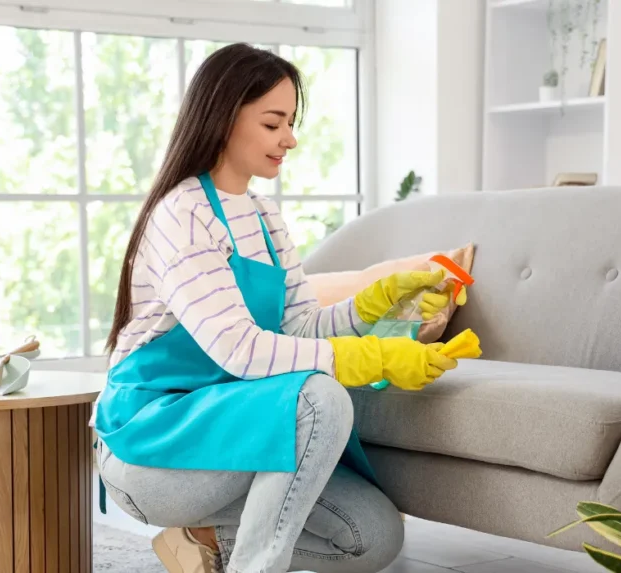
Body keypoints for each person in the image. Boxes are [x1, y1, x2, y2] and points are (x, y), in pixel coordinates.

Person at [93, 43, 463, 573]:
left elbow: (301, 326)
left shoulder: (265, 218)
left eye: (290, 122)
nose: (290, 139)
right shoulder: (184, 215)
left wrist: (376, 302)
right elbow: (240, 351)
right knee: (319, 398)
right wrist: (369, 359)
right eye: (273, 123)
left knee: (372, 538)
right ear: (223, 117)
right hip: (154, 443)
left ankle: (203, 539)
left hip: (236, 423)